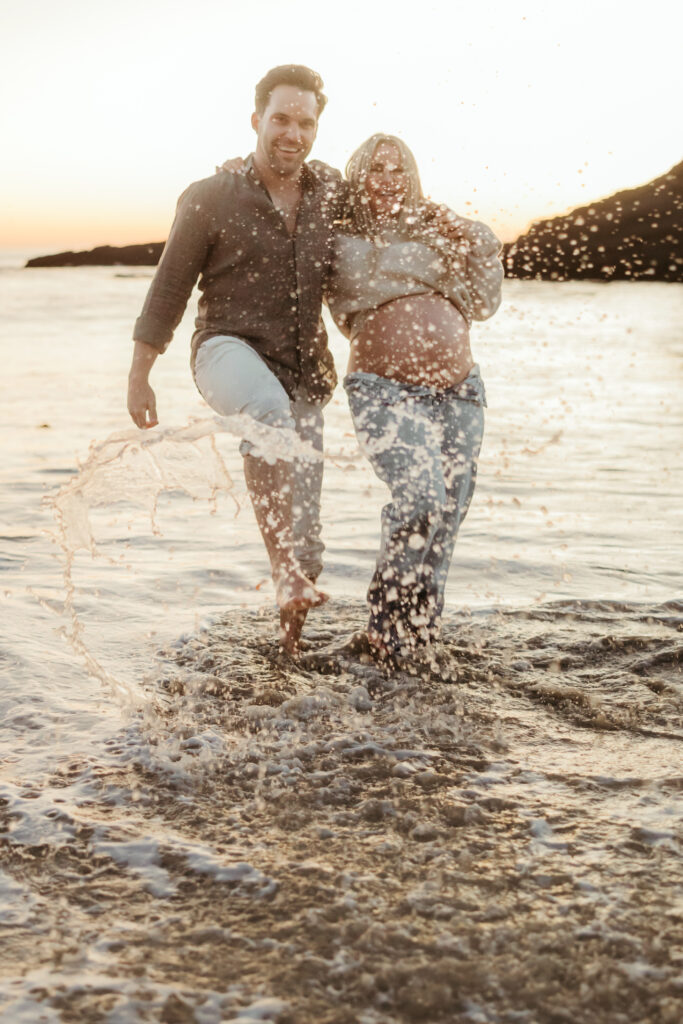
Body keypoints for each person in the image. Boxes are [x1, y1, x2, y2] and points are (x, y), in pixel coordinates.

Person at [126, 65, 345, 654]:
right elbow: (170, 288)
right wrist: (140, 375)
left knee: (311, 542)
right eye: (280, 119)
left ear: (317, 129)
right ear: (256, 121)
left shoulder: (330, 192)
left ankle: (289, 647)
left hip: (305, 372)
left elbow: (385, 206)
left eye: (305, 122)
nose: (292, 132)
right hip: (225, 350)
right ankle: (282, 573)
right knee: (266, 412)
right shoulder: (210, 196)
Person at [325, 134, 503, 668]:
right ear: (357, 175)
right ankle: (383, 629)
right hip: (385, 389)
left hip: (459, 390)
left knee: (449, 511)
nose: (388, 179)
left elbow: (486, 301)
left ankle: (421, 630)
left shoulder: (438, 231)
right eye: (376, 168)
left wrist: (476, 237)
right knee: (420, 499)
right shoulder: (335, 237)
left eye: (399, 169)